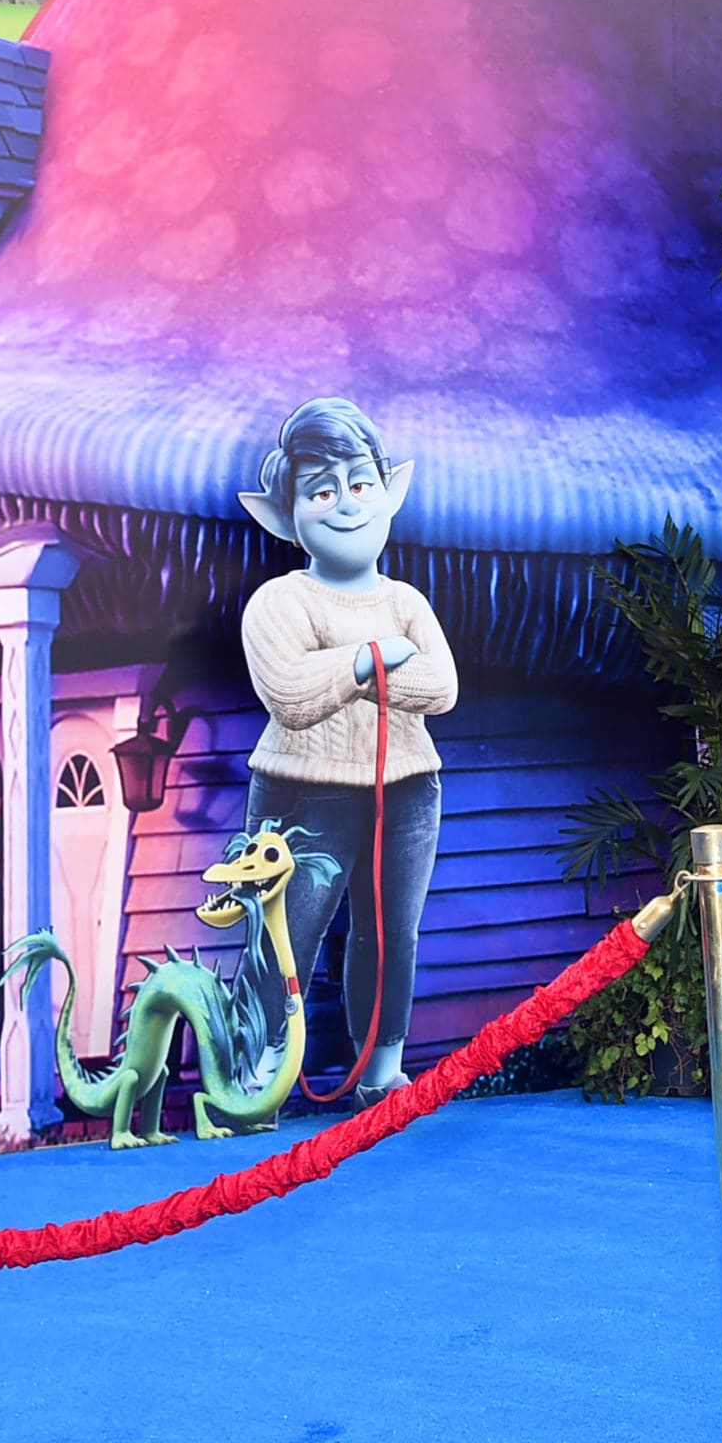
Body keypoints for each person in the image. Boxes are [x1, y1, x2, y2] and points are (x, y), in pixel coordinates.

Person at [237, 398, 457, 1099]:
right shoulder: (278, 602)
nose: (347, 504)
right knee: (285, 932)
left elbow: (441, 686)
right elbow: (289, 693)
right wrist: (367, 662)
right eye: (322, 491)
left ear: (390, 491)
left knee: (390, 934)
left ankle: (381, 1070)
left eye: (360, 483)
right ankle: (254, 1074)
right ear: (285, 514)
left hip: (407, 784)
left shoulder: (405, 601)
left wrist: (351, 672)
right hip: (303, 789)